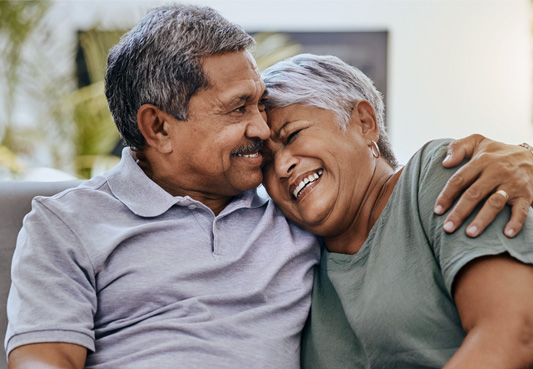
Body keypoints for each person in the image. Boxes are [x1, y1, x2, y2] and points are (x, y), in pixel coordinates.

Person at [4, 4, 533, 369]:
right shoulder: (65, 224)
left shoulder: (301, 211)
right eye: (239, 109)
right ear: (158, 127)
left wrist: (525, 155)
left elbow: (513, 329)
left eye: (263, 107)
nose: (261, 135)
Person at [260, 53, 533, 368]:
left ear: (365, 123)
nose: (281, 166)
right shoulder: (292, 254)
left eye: (292, 136)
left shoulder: (439, 173)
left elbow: (515, 334)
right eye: (265, 161)